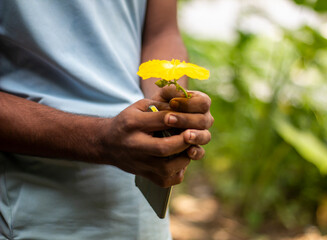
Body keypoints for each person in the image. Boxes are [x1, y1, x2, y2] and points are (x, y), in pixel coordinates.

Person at [0, 0, 213, 239]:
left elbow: (161, 31)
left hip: (140, 201)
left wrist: (166, 111)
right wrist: (100, 140)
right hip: (30, 204)